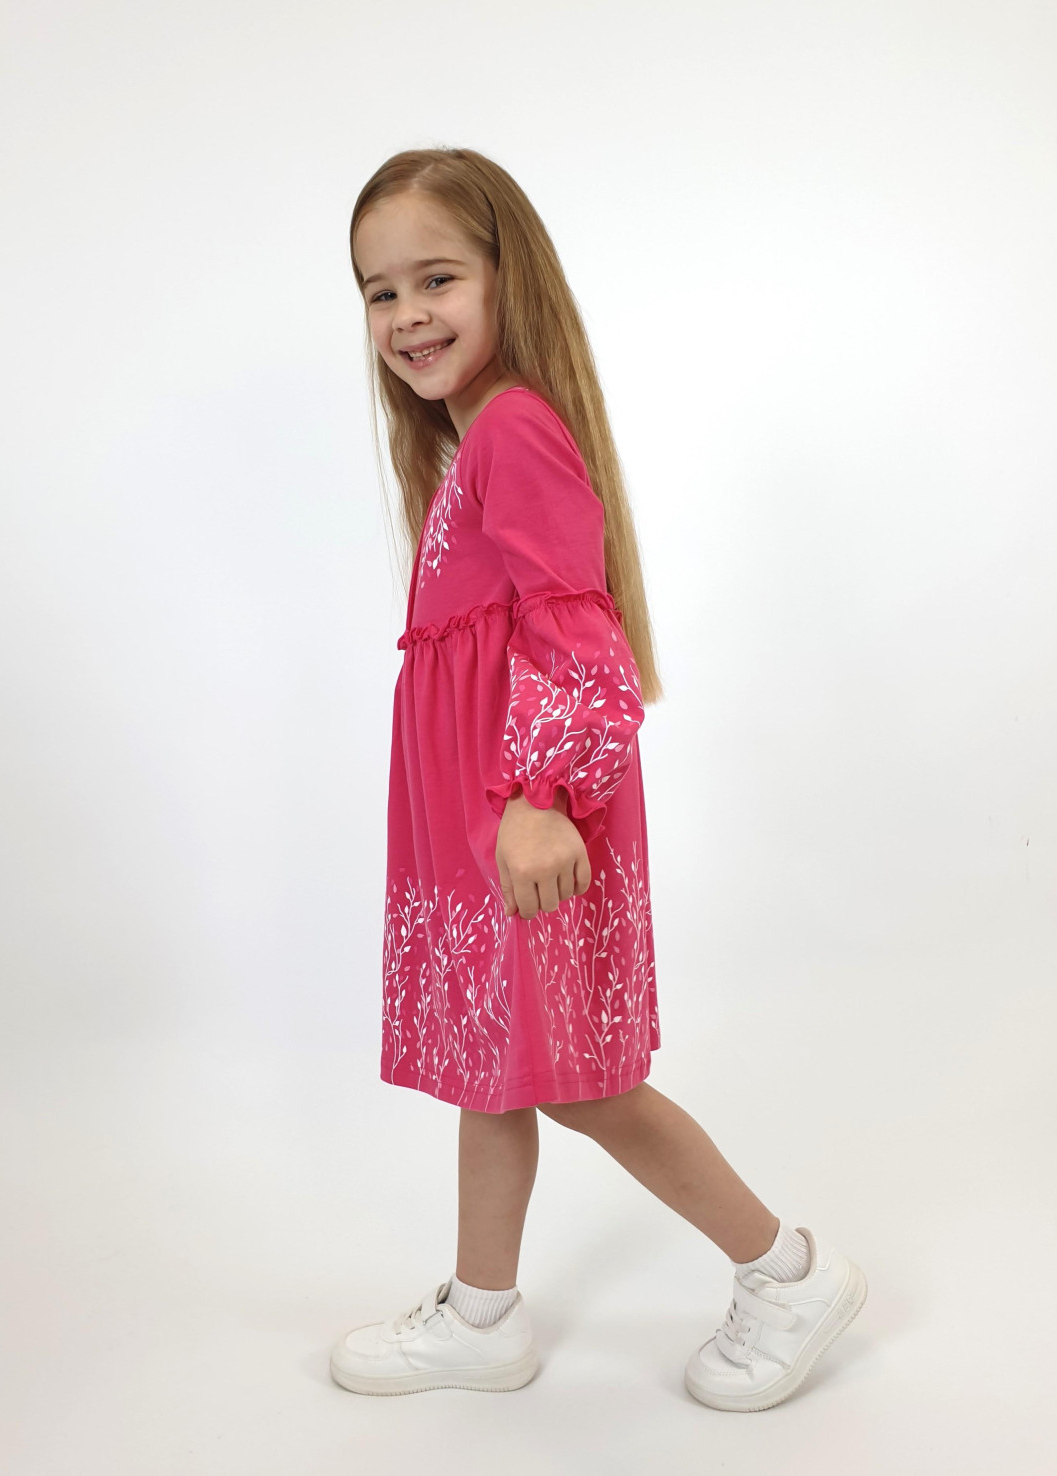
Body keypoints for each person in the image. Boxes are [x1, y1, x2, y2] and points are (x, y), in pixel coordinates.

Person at [329, 146, 866, 1411]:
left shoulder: (514, 429)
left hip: (528, 820)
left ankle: (786, 1274)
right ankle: (481, 1316)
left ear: (506, 276)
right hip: (489, 820)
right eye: (378, 291)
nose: (406, 316)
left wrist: (537, 801)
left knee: (587, 1086)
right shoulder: (469, 446)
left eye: (436, 279)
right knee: (498, 1063)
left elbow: (580, 642)